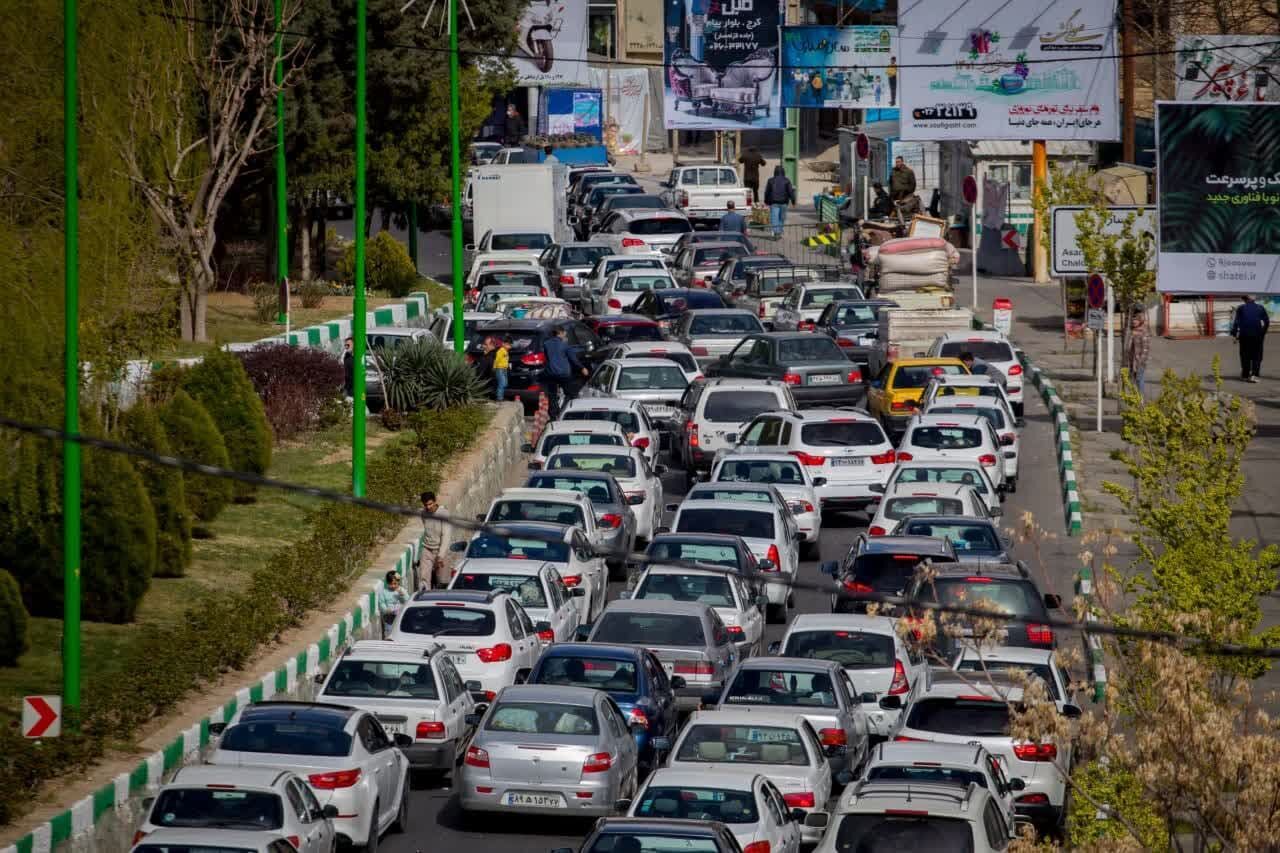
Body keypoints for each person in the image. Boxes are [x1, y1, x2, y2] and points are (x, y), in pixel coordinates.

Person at [542, 326, 589, 418]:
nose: (565, 334)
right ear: (560, 333)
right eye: (564, 333)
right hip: (564, 373)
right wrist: (582, 368)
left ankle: (553, 415)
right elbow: (573, 359)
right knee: (571, 393)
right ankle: (565, 410)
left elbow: (547, 358)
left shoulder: (546, 344)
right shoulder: (565, 345)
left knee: (552, 395)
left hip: (551, 373)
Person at [419, 491, 451, 588]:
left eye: (430, 504)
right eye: (426, 505)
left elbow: (446, 535)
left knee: (442, 580)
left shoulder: (444, 514)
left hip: (440, 550)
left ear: (435, 501)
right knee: (424, 578)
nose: (428, 507)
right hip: (427, 549)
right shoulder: (423, 513)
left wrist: (440, 555)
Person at [763, 165, 795, 238]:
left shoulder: (770, 180)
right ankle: (779, 231)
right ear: (783, 171)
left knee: (774, 218)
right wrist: (793, 201)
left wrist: (766, 201)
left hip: (774, 202)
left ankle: (776, 232)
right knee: (782, 218)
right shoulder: (787, 180)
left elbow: (767, 192)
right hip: (784, 202)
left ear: (775, 172)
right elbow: (790, 192)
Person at [377, 570, 409, 637]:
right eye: (391, 584)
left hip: (400, 615)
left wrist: (402, 595)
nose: (393, 586)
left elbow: (407, 601)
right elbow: (381, 603)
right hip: (389, 616)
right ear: (387, 583)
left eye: (395, 584)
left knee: (400, 630)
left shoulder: (401, 590)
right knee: (389, 630)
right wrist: (385, 610)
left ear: (398, 582)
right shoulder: (383, 592)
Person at [1126, 310, 1151, 396]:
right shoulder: (1132, 331)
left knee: (1139, 380)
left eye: (1136, 320)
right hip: (1131, 361)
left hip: (1139, 361)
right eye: (1133, 320)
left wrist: (1140, 361)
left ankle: (1141, 401)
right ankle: (1135, 399)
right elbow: (1129, 347)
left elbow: (1146, 349)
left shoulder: (1144, 332)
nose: (1133, 321)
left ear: (1140, 320)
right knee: (1132, 380)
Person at [493, 336, 511, 401]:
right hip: (500, 368)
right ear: (503, 344)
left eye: (510, 345)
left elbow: (505, 360)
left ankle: (501, 396)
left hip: (504, 369)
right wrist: (495, 367)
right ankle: (499, 398)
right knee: (502, 383)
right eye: (508, 344)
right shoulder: (501, 351)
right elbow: (497, 359)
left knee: (505, 383)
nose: (509, 346)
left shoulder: (506, 351)